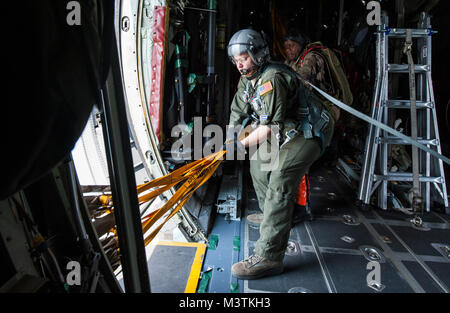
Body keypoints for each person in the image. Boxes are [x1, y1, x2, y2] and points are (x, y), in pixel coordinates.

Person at [227, 29, 335, 280]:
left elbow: (268, 127)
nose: (240, 64)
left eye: (244, 57)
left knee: (281, 177)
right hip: (287, 127)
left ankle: (269, 256)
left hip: (309, 130)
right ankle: (273, 217)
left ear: (258, 54)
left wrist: (236, 147)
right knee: (258, 164)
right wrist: (230, 138)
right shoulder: (247, 80)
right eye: (236, 60)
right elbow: (237, 112)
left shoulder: (271, 78)